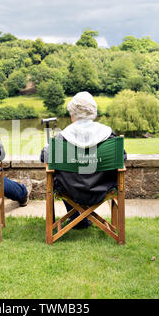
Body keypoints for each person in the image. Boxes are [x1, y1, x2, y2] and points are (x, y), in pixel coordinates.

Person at [40, 91, 127, 229]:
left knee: (62, 174)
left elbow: (45, 157)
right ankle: (82, 219)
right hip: (102, 188)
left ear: (72, 113)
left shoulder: (62, 137)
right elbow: (122, 158)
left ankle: (78, 219)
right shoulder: (108, 134)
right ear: (93, 111)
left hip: (70, 190)